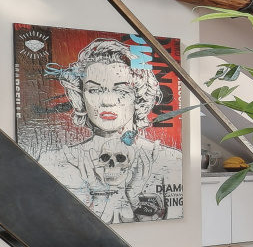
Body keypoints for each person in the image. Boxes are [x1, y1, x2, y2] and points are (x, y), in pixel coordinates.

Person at [35, 37, 183, 223]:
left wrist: (133, 197)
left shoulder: (170, 161)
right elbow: (52, 227)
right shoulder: (54, 162)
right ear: (80, 96)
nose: (107, 101)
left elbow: (173, 231)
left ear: (138, 96)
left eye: (121, 91)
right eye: (94, 90)